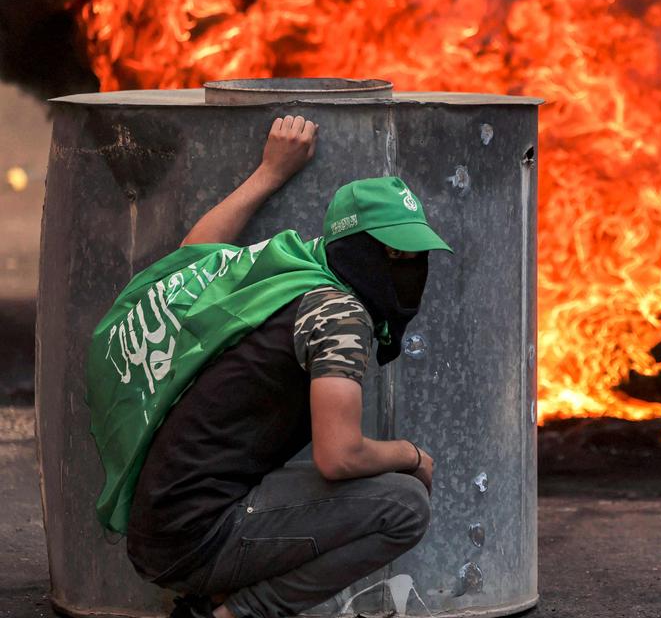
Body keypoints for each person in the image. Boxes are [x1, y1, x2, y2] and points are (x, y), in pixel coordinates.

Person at [86, 115, 452, 618]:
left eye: (415, 254)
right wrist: (411, 454)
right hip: (196, 536)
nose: (407, 266)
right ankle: (240, 613)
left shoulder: (286, 268)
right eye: (391, 252)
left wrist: (269, 174)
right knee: (405, 505)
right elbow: (339, 456)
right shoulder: (339, 314)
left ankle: (212, 598)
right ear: (354, 248)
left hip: (165, 524)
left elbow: (192, 258)